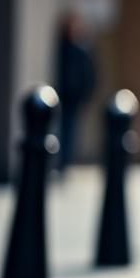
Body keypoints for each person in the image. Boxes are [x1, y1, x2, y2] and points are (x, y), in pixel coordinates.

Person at [55, 10, 96, 172]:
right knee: (63, 127)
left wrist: (86, 94)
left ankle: (66, 160)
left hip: (75, 96)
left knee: (70, 128)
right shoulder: (63, 47)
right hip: (63, 94)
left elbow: (90, 74)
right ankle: (62, 159)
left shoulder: (83, 49)